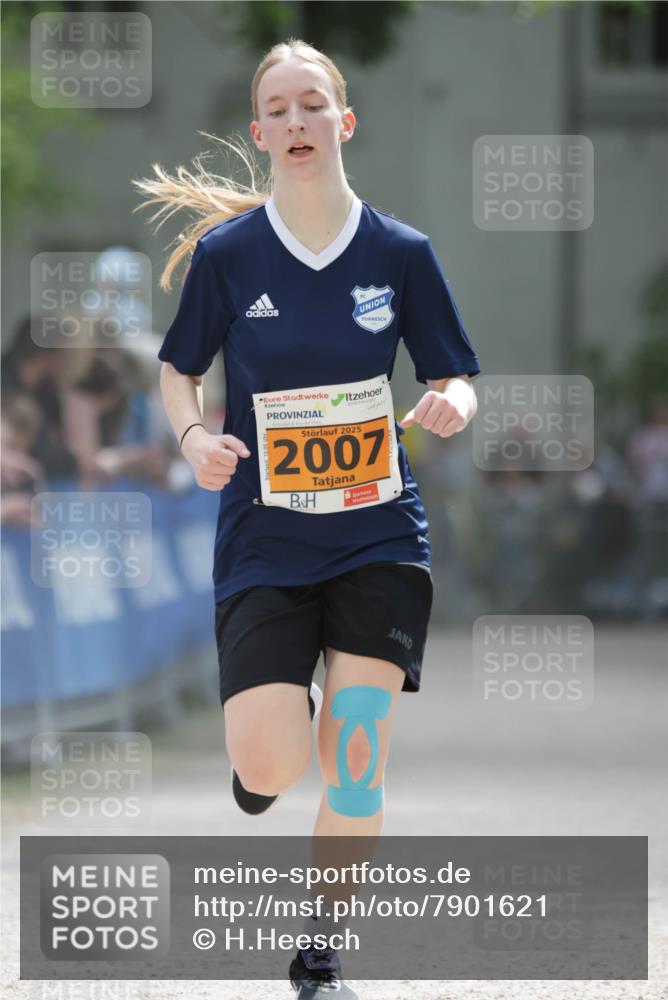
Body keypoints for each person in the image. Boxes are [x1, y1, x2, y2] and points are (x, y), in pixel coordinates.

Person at [134, 37, 480, 1000]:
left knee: (357, 755)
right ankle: (269, 745)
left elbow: (453, 369)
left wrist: (453, 400)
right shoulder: (229, 257)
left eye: (312, 105)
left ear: (344, 121)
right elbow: (178, 371)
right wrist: (195, 437)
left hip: (378, 530)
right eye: (278, 109)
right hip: (266, 536)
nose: (296, 122)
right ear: (259, 133)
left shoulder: (401, 254)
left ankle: (321, 951)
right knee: (276, 760)